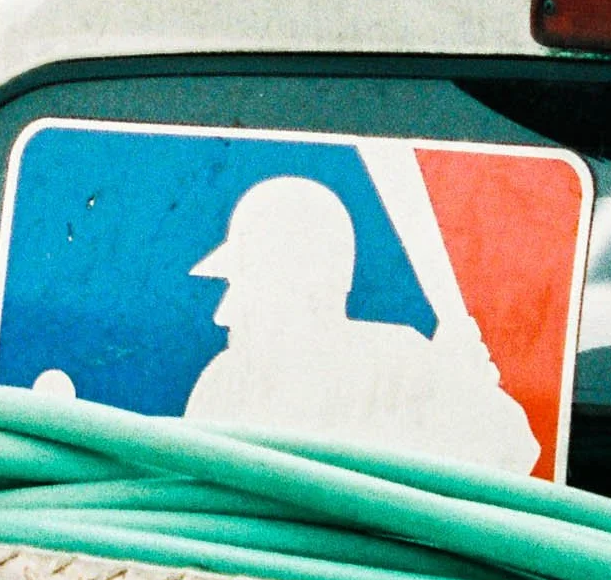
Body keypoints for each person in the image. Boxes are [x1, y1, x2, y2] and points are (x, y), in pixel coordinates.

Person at [184, 174, 538, 475]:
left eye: (246, 286)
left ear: (305, 288)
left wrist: (459, 397)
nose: (223, 314)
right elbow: (187, 498)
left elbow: (515, 452)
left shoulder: (400, 363)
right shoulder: (226, 382)